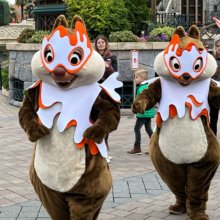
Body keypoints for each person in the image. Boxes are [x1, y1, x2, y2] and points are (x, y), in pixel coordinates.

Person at [94, 34, 118, 162]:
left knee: (106, 116)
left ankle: (105, 140)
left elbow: (115, 74)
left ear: (106, 43)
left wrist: (108, 66)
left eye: (102, 42)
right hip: (96, 88)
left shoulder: (111, 57)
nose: (101, 44)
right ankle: (97, 140)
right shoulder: (93, 56)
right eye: (98, 43)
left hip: (108, 89)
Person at [127, 69, 155, 154]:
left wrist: (135, 110)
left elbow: (140, 102)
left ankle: (137, 147)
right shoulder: (147, 86)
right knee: (148, 129)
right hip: (148, 112)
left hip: (143, 113)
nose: (135, 79)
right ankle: (155, 147)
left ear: (142, 78)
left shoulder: (142, 88)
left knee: (137, 129)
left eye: (136, 77)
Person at [209, 34, 220, 135]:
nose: (219, 48)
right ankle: (213, 141)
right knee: (213, 120)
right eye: (218, 46)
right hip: (214, 95)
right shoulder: (211, 60)